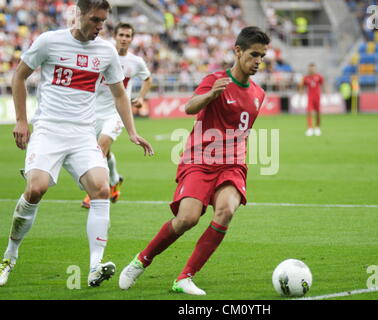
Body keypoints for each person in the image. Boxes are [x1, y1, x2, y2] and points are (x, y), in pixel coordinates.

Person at [0, 0, 153, 288]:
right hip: (48, 129)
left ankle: (95, 266)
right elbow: (19, 76)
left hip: (83, 134)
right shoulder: (49, 41)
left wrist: (132, 132)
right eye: (95, 20)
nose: (99, 26)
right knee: (36, 188)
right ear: (79, 15)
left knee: (101, 188)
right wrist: (21, 120)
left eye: (103, 21)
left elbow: (120, 94)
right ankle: (9, 255)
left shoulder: (105, 51)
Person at [119, 26, 270, 295]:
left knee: (226, 211)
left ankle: (184, 277)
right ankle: (142, 259)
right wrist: (211, 94)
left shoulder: (259, 94)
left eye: (262, 56)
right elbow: (189, 107)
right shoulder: (214, 79)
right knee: (187, 219)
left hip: (232, 164)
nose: (258, 61)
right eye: (254, 54)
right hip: (200, 159)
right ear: (238, 51)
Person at [81, 22, 153, 209]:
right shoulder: (103, 55)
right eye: (121, 35)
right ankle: (114, 180)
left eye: (128, 36)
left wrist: (141, 97)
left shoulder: (135, 62)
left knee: (100, 148)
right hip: (93, 112)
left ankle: (95, 192)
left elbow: (148, 79)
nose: (124, 39)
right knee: (102, 151)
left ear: (131, 39)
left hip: (117, 113)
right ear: (115, 36)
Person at [299, 63, 324, 136]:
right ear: (308, 69)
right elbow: (302, 86)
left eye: (313, 68)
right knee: (309, 112)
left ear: (315, 69)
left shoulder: (319, 76)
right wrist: (301, 91)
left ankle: (317, 128)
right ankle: (310, 128)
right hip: (310, 97)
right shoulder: (306, 77)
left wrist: (326, 92)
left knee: (318, 113)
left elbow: (323, 84)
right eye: (310, 68)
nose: (312, 69)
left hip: (317, 97)